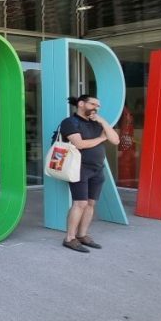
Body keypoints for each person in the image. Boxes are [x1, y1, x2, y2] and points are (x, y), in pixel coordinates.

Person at [60, 94, 120, 253]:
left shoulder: (97, 123)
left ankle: (82, 235)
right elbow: (79, 144)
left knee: (91, 203)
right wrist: (101, 139)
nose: (96, 107)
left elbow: (115, 140)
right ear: (81, 104)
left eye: (98, 105)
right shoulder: (70, 122)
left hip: (97, 168)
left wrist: (103, 122)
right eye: (93, 104)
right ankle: (69, 238)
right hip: (79, 168)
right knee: (80, 203)